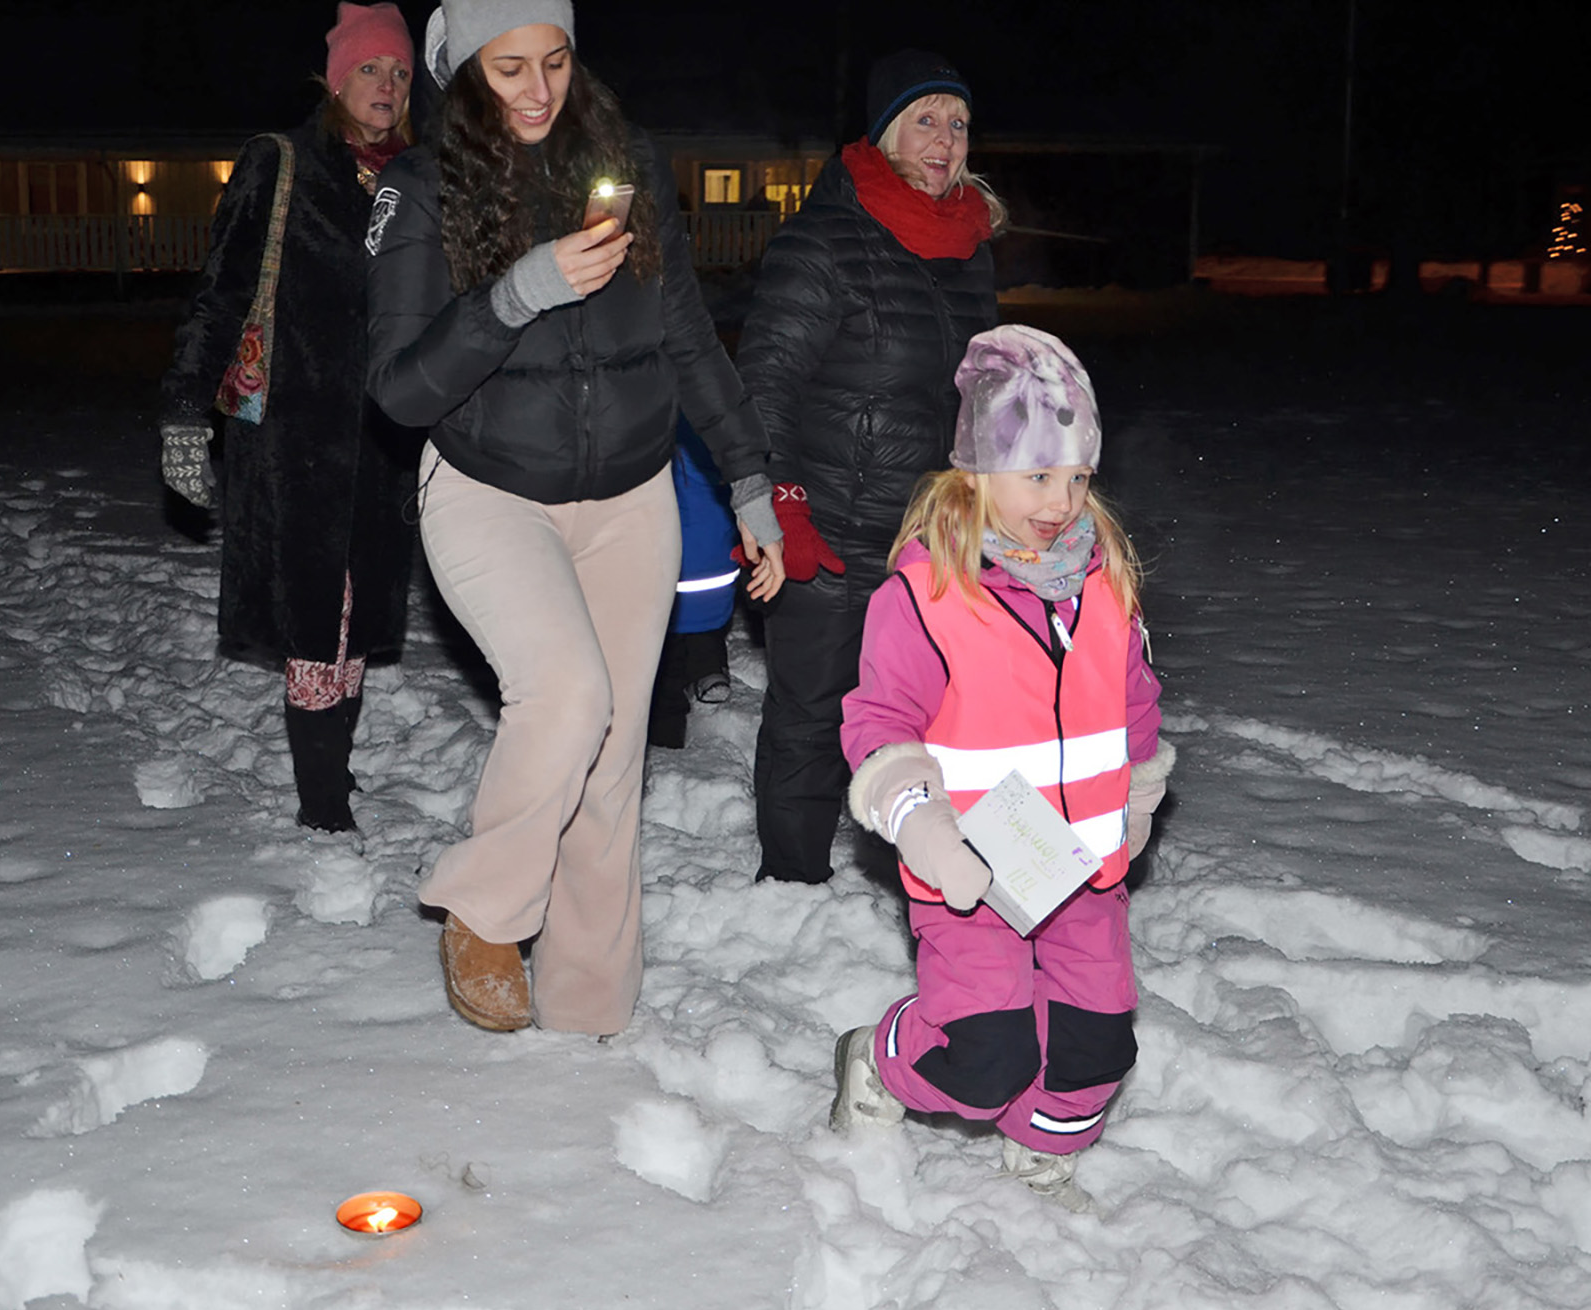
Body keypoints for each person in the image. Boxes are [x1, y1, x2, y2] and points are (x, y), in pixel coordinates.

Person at [366, 0, 786, 1038]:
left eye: (554, 61)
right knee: (566, 692)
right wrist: (514, 296)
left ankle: (587, 1012)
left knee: (610, 762)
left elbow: (686, 334)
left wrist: (748, 478)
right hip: (488, 488)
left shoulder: (626, 162)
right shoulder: (421, 188)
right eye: (509, 68)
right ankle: (482, 910)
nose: (538, 89)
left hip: (630, 495)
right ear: (465, 72)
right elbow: (400, 390)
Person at [831, 326, 1175, 1210]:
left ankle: (1042, 1151)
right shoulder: (925, 596)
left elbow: (1134, 703)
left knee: (1098, 1044)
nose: (1062, 502)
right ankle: (880, 1059)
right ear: (977, 473)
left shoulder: (1103, 585)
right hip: (972, 871)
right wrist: (922, 825)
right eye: (1038, 476)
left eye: (1078, 478)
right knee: (986, 1056)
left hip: (1081, 870)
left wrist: (1138, 797)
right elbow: (878, 723)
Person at [735, 49, 1003, 885]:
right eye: (925, 120)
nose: (945, 140)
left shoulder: (969, 250)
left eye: (958, 124)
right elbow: (763, 383)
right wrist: (781, 507)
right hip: (834, 532)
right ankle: (791, 882)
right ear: (886, 133)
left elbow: (981, 394)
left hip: (935, 538)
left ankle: (938, 878)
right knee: (814, 714)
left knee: (941, 716)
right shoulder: (823, 241)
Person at [160, 2, 422, 834]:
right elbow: (222, 293)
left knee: (359, 617)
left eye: (400, 72)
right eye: (370, 69)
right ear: (336, 79)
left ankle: (332, 767)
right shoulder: (281, 163)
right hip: (294, 435)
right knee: (318, 614)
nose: (386, 85)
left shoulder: (419, 179)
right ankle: (322, 801)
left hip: (388, 438)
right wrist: (183, 415)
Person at [647, 414, 742, 750]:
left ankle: (664, 738)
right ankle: (709, 667)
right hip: (717, 578)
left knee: (664, 655)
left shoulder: (649, 430)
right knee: (701, 625)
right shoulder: (722, 423)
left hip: (669, 580)